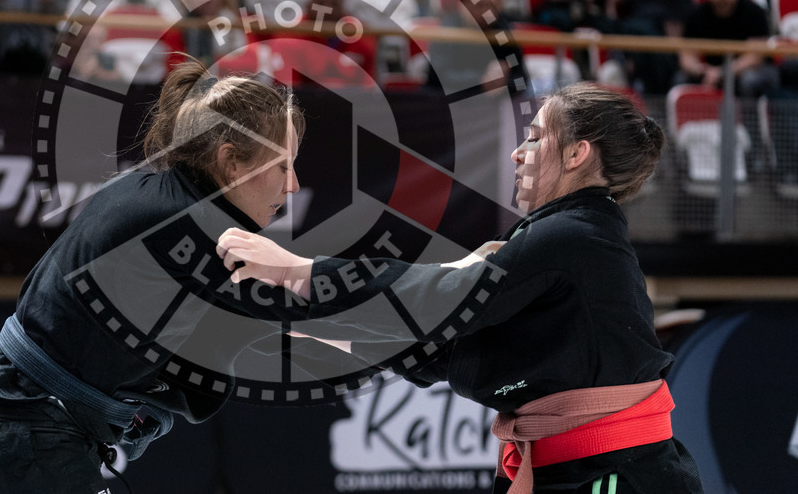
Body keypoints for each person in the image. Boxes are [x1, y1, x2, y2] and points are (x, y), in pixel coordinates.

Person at [218, 83, 704, 494]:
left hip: (616, 472)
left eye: (535, 138)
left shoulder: (574, 236)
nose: (518, 152)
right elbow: (446, 350)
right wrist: (316, 320)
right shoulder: (561, 236)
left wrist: (298, 271)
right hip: (584, 468)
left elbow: (435, 299)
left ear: (578, 154)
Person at [0, 59, 306, 492]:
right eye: (283, 166)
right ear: (230, 162)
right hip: (30, 455)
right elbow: (307, 317)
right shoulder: (188, 225)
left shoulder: (153, 193)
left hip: (17, 445)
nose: (293, 185)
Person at [679, 0, 776, 97]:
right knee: (680, 79)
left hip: (750, 70)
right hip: (710, 71)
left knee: (749, 80)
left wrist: (722, 72)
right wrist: (701, 70)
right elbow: (686, 56)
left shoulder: (755, 12)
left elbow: (755, 57)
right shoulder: (696, 15)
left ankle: (748, 118)